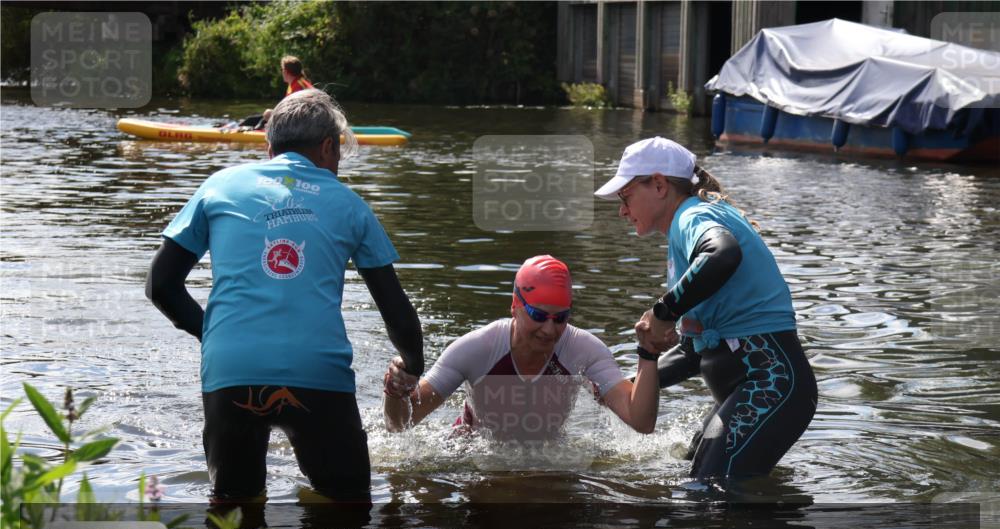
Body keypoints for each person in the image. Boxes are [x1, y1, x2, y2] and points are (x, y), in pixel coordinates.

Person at [146, 89, 423, 501]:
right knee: (345, 510)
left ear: (268, 145)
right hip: (318, 375)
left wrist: (216, 335)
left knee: (234, 518)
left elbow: (161, 285)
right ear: (328, 147)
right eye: (338, 155)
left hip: (232, 370)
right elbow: (396, 310)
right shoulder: (351, 206)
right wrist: (412, 365)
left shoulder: (218, 185)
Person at [595, 136, 817, 479]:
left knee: (708, 495)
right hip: (757, 386)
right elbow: (694, 353)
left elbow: (723, 253)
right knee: (691, 471)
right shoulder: (686, 230)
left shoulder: (692, 215)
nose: (622, 210)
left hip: (772, 383)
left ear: (658, 185)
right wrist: (622, 387)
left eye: (625, 197)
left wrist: (663, 312)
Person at [383, 255, 674, 439]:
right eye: (538, 315)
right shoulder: (477, 348)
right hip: (474, 452)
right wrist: (396, 390)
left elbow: (641, 421)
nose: (549, 330)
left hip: (548, 457)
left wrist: (648, 354)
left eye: (560, 318)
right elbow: (401, 425)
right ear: (515, 306)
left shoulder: (584, 349)